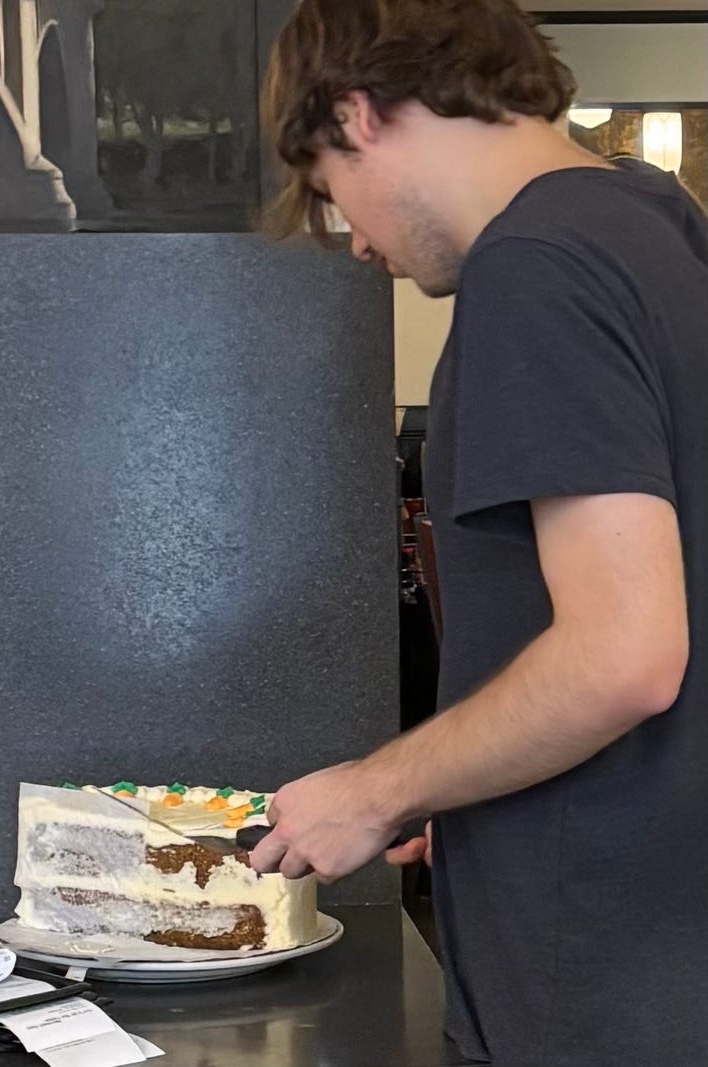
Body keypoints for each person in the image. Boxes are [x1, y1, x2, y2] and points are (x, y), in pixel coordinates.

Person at [249, 2, 708, 1065]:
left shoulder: (533, 267)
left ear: (357, 115)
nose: (358, 239)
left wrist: (377, 787)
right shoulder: (654, 221)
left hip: (593, 987)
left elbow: (624, 656)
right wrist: (464, 791)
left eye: (331, 190)